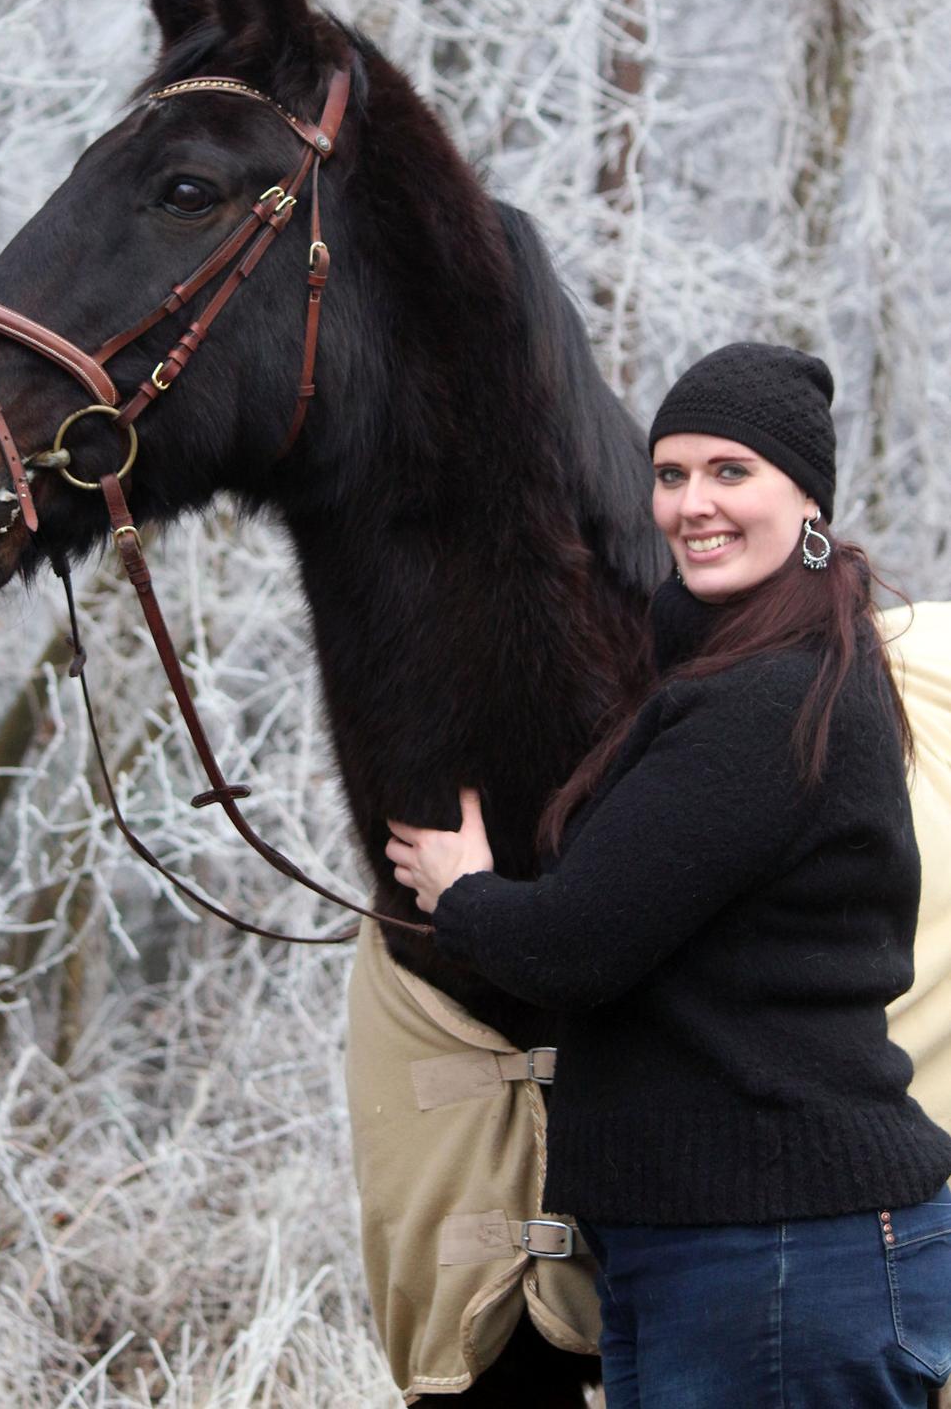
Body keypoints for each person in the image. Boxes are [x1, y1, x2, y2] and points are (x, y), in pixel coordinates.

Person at [384, 342, 951, 1408]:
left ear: (809, 499)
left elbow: (577, 944)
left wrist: (463, 890)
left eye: (732, 471)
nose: (694, 503)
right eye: (673, 472)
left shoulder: (768, 699)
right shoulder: (748, 669)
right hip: (726, 1255)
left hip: (778, 1257)